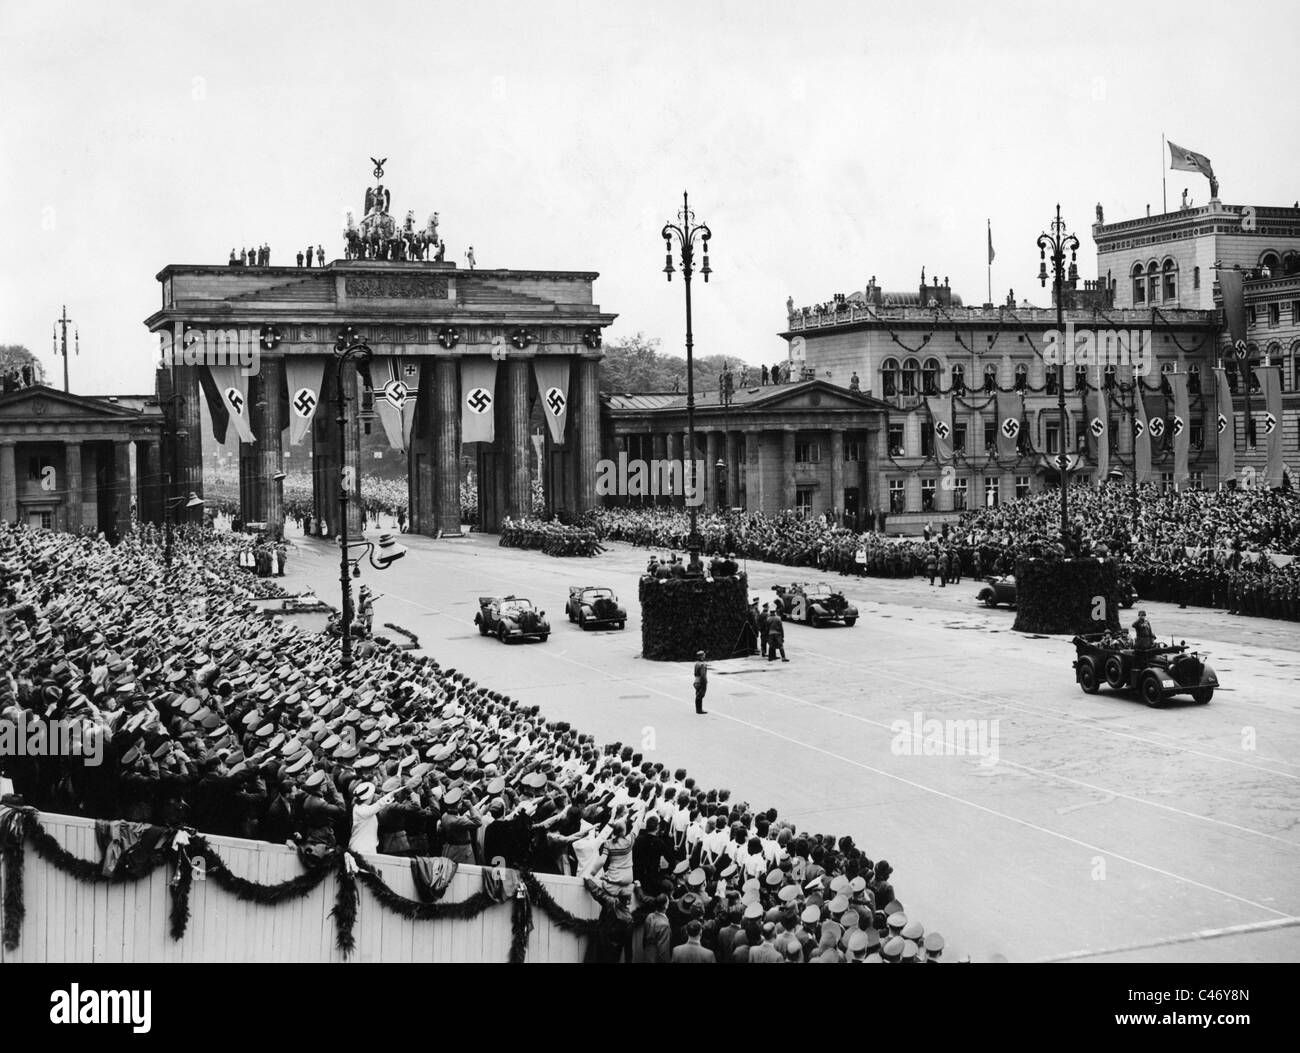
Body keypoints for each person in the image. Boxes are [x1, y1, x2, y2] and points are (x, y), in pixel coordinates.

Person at [693, 650, 708, 715]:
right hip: (701, 681)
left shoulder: (696, 664)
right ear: (701, 656)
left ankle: (698, 709)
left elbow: (695, 673)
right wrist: (705, 682)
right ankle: (699, 710)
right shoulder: (702, 665)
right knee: (700, 695)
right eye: (703, 655)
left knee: (698, 695)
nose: (704, 655)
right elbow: (703, 675)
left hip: (696, 680)